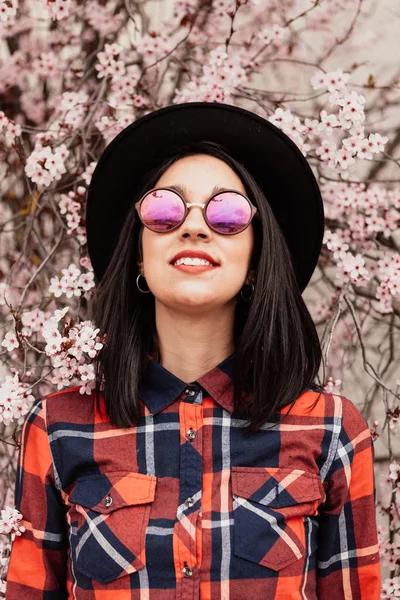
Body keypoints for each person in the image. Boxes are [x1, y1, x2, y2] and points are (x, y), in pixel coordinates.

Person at [6, 102, 381, 599]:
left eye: (227, 213)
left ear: (255, 261)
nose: (195, 226)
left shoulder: (331, 430)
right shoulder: (57, 427)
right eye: (165, 210)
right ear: (139, 253)